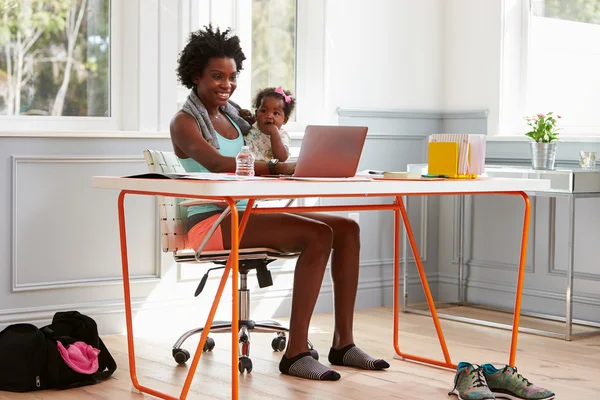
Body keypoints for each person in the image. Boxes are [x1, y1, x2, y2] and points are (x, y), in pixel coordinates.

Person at [170, 25, 389, 381]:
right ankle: (297, 352)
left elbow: (265, 138)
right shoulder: (184, 122)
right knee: (317, 235)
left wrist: (284, 146)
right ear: (195, 76)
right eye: (216, 76)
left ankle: (343, 344)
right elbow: (217, 163)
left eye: (232, 76)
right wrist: (276, 168)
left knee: (346, 228)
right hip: (211, 223)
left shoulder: (234, 117)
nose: (226, 84)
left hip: (246, 214)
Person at [245, 86, 294, 162]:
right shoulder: (254, 125)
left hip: (269, 171)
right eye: (264, 111)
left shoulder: (282, 135)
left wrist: (274, 132)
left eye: (276, 113)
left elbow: (282, 158)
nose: (269, 116)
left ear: (285, 120)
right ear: (256, 114)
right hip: (249, 168)